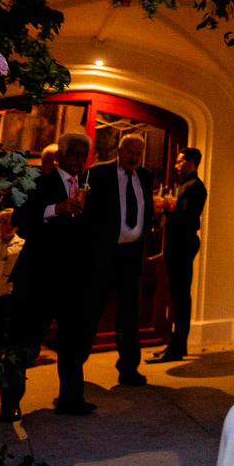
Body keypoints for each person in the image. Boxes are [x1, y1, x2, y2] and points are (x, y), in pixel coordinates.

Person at [6, 132, 96, 416]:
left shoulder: (88, 187)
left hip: (74, 278)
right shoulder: (39, 182)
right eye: (74, 154)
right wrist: (55, 208)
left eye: (84, 154)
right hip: (39, 276)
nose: (79, 159)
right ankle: (10, 404)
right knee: (26, 341)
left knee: (72, 341)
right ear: (61, 156)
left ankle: (72, 400)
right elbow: (19, 220)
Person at [80, 133, 154, 386]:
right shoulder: (98, 174)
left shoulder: (145, 177)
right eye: (130, 152)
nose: (134, 157)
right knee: (90, 311)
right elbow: (86, 214)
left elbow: (146, 208)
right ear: (119, 151)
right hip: (102, 255)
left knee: (130, 315)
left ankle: (129, 369)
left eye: (138, 153)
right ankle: (75, 367)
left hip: (131, 257)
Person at [149, 147, 208, 363]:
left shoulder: (194, 186)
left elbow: (189, 218)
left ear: (191, 162)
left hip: (183, 243)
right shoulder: (186, 185)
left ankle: (177, 345)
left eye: (180, 160)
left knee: (181, 296)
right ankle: (176, 344)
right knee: (177, 295)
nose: (176, 165)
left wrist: (166, 208)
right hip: (179, 242)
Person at [0, 207, 25, 420]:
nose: (7, 227)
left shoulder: (22, 245)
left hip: (11, 302)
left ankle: (10, 403)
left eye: (11, 222)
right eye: (3, 222)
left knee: (13, 358)